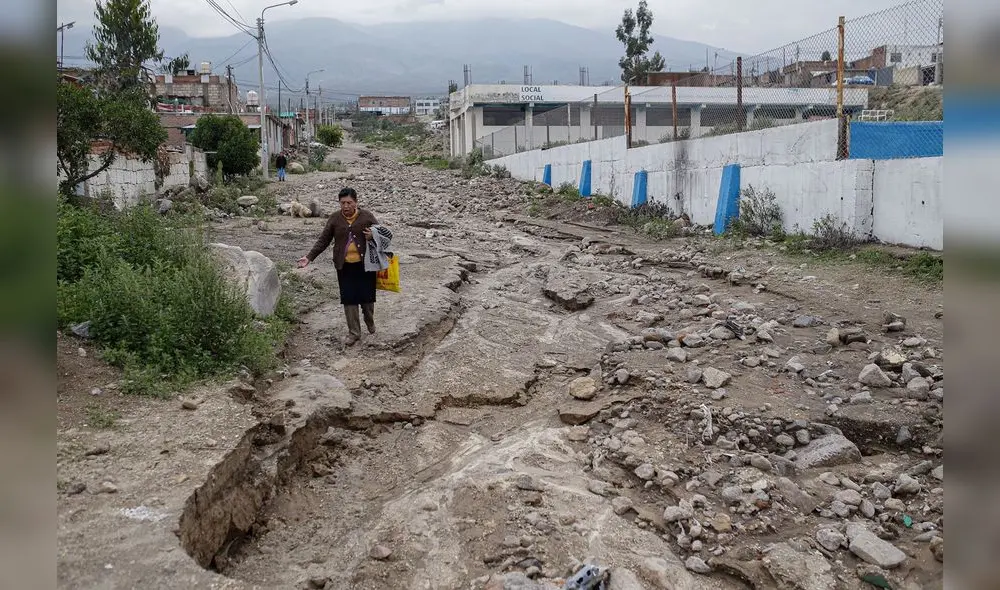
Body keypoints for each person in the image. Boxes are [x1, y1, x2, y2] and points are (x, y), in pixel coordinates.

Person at [297, 187, 378, 345]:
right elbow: (324, 240)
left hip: (365, 265)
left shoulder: (367, 216)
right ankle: (354, 333)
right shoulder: (334, 219)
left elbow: (383, 234)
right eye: (343, 203)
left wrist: (373, 235)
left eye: (349, 202)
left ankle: (369, 320)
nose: (346, 206)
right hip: (344, 266)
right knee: (349, 299)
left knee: (367, 299)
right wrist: (309, 257)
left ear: (356, 202)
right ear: (339, 203)